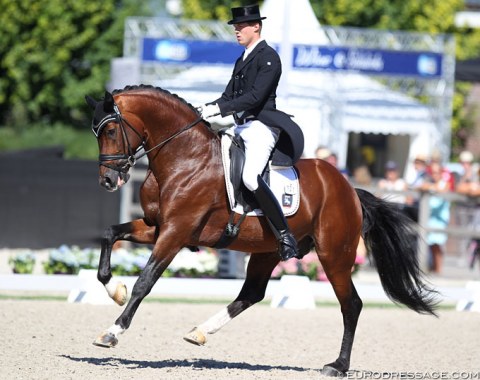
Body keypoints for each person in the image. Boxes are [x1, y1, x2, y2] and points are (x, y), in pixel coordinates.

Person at [198, 4, 305, 261]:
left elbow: (255, 97)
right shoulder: (242, 59)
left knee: (250, 177)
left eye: (241, 26)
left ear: (255, 26)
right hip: (240, 125)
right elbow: (228, 96)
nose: (236, 30)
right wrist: (205, 109)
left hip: (261, 126)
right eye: (235, 26)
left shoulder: (269, 57)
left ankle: (284, 235)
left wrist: (220, 108)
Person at [420, 161, 451, 274]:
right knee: (431, 246)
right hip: (430, 218)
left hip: (440, 219)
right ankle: (433, 269)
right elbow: (421, 186)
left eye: (437, 172)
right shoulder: (429, 183)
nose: (435, 174)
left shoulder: (445, 183)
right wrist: (430, 186)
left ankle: (439, 270)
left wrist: (430, 187)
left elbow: (442, 189)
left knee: (438, 245)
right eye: (433, 172)